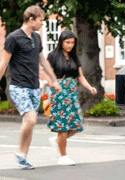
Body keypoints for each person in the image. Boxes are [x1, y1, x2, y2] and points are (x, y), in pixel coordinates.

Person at [0, 5, 61, 169]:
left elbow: (43, 60)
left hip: (34, 86)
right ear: (31, 19)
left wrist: (54, 80)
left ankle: (23, 157)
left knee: (30, 123)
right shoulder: (13, 38)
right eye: (41, 20)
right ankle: (20, 152)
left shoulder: (36, 37)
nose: (43, 23)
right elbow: (4, 63)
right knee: (31, 118)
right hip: (19, 86)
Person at [46, 30, 97, 166]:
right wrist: (52, 86)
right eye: (67, 42)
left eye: (72, 43)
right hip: (59, 92)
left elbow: (80, 76)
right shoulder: (53, 56)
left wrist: (89, 87)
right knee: (63, 126)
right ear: (61, 42)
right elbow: (47, 74)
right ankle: (63, 156)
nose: (70, 45)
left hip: (71, 91)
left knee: (77, 124)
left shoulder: (74, 57)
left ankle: (57, 141)